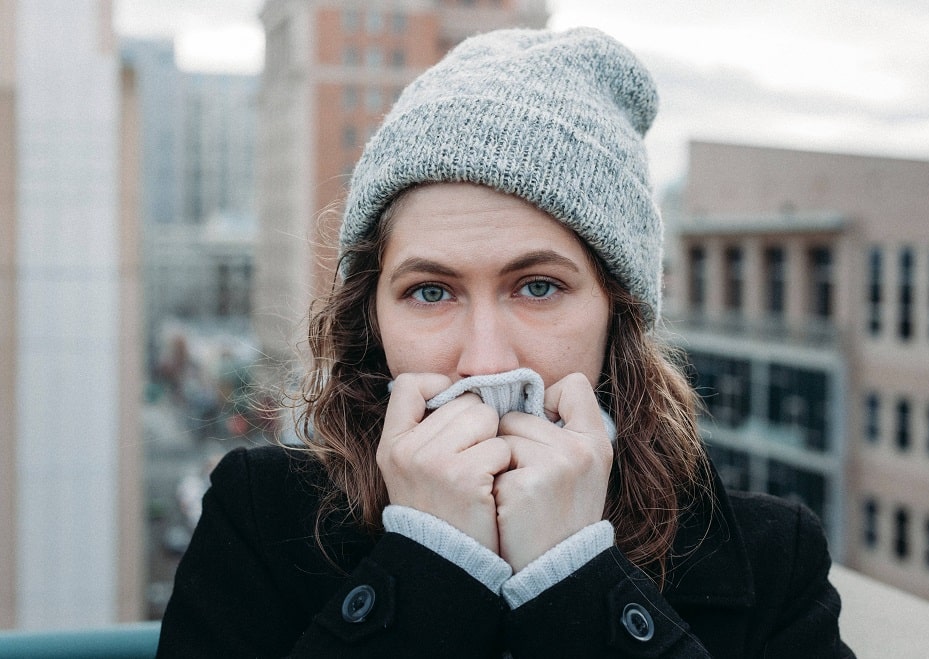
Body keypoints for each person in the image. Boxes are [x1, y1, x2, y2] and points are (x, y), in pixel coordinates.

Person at [158, 27, 854, 658]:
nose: (486, 361)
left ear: (618, 313)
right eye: (431, 292)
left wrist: (575, 579)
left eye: (538, 287)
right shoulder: (260, 518)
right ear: (371, 317)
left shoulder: (772, 558)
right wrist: (428, 566)